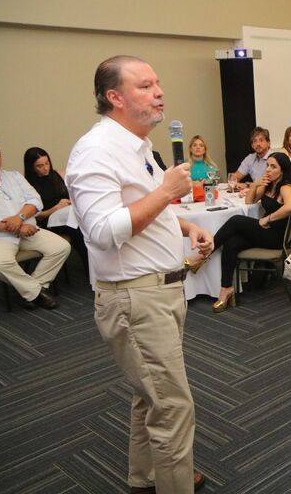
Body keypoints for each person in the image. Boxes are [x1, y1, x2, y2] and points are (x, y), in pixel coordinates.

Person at [66, 55, 213, 493]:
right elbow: (102, 230)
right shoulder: (96, 151)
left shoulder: (139, 146)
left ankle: (147, 477)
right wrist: (168, 191)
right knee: (173, 408)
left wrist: (187, 226)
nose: (160, 92)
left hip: (159, 294)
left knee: (148, 396)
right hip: (135, 299)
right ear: (115, 97)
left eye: (158, 83)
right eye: (146, 86)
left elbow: (144, 211)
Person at [186, 152, 291, 313]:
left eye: (273, 167)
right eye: (268, 165)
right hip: (264, 233)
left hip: (275, 237)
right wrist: (256, 184)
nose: (269, 169)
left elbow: (290, 206)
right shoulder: (270, 184)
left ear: (283, 170)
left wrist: (268, 218)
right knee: (232, 243)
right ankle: (226, 290)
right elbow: (249, 201)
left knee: (236, 220)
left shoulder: (286, 186)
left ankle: (203, 255)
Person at [0, 142, 70, 309]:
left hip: (29, 229)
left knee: (61, 247)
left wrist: (20, 218)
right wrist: (18, 226)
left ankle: (30, 291)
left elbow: (35, 200)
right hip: (0, 237)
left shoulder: (14, 176)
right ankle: (36, 293)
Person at [22, 146, 88, 275]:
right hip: (50, 220)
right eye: (39, 166)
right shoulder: (27, 185)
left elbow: (76, 192)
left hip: (71, 213)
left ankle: (103, 266)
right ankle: (92, 272)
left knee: (88, 225)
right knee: (78, 231)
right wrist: (57, 207)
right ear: (31, 167)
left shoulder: (59, 174)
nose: (45, 168)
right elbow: (37, 216)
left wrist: (73, 201)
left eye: (47, 163)